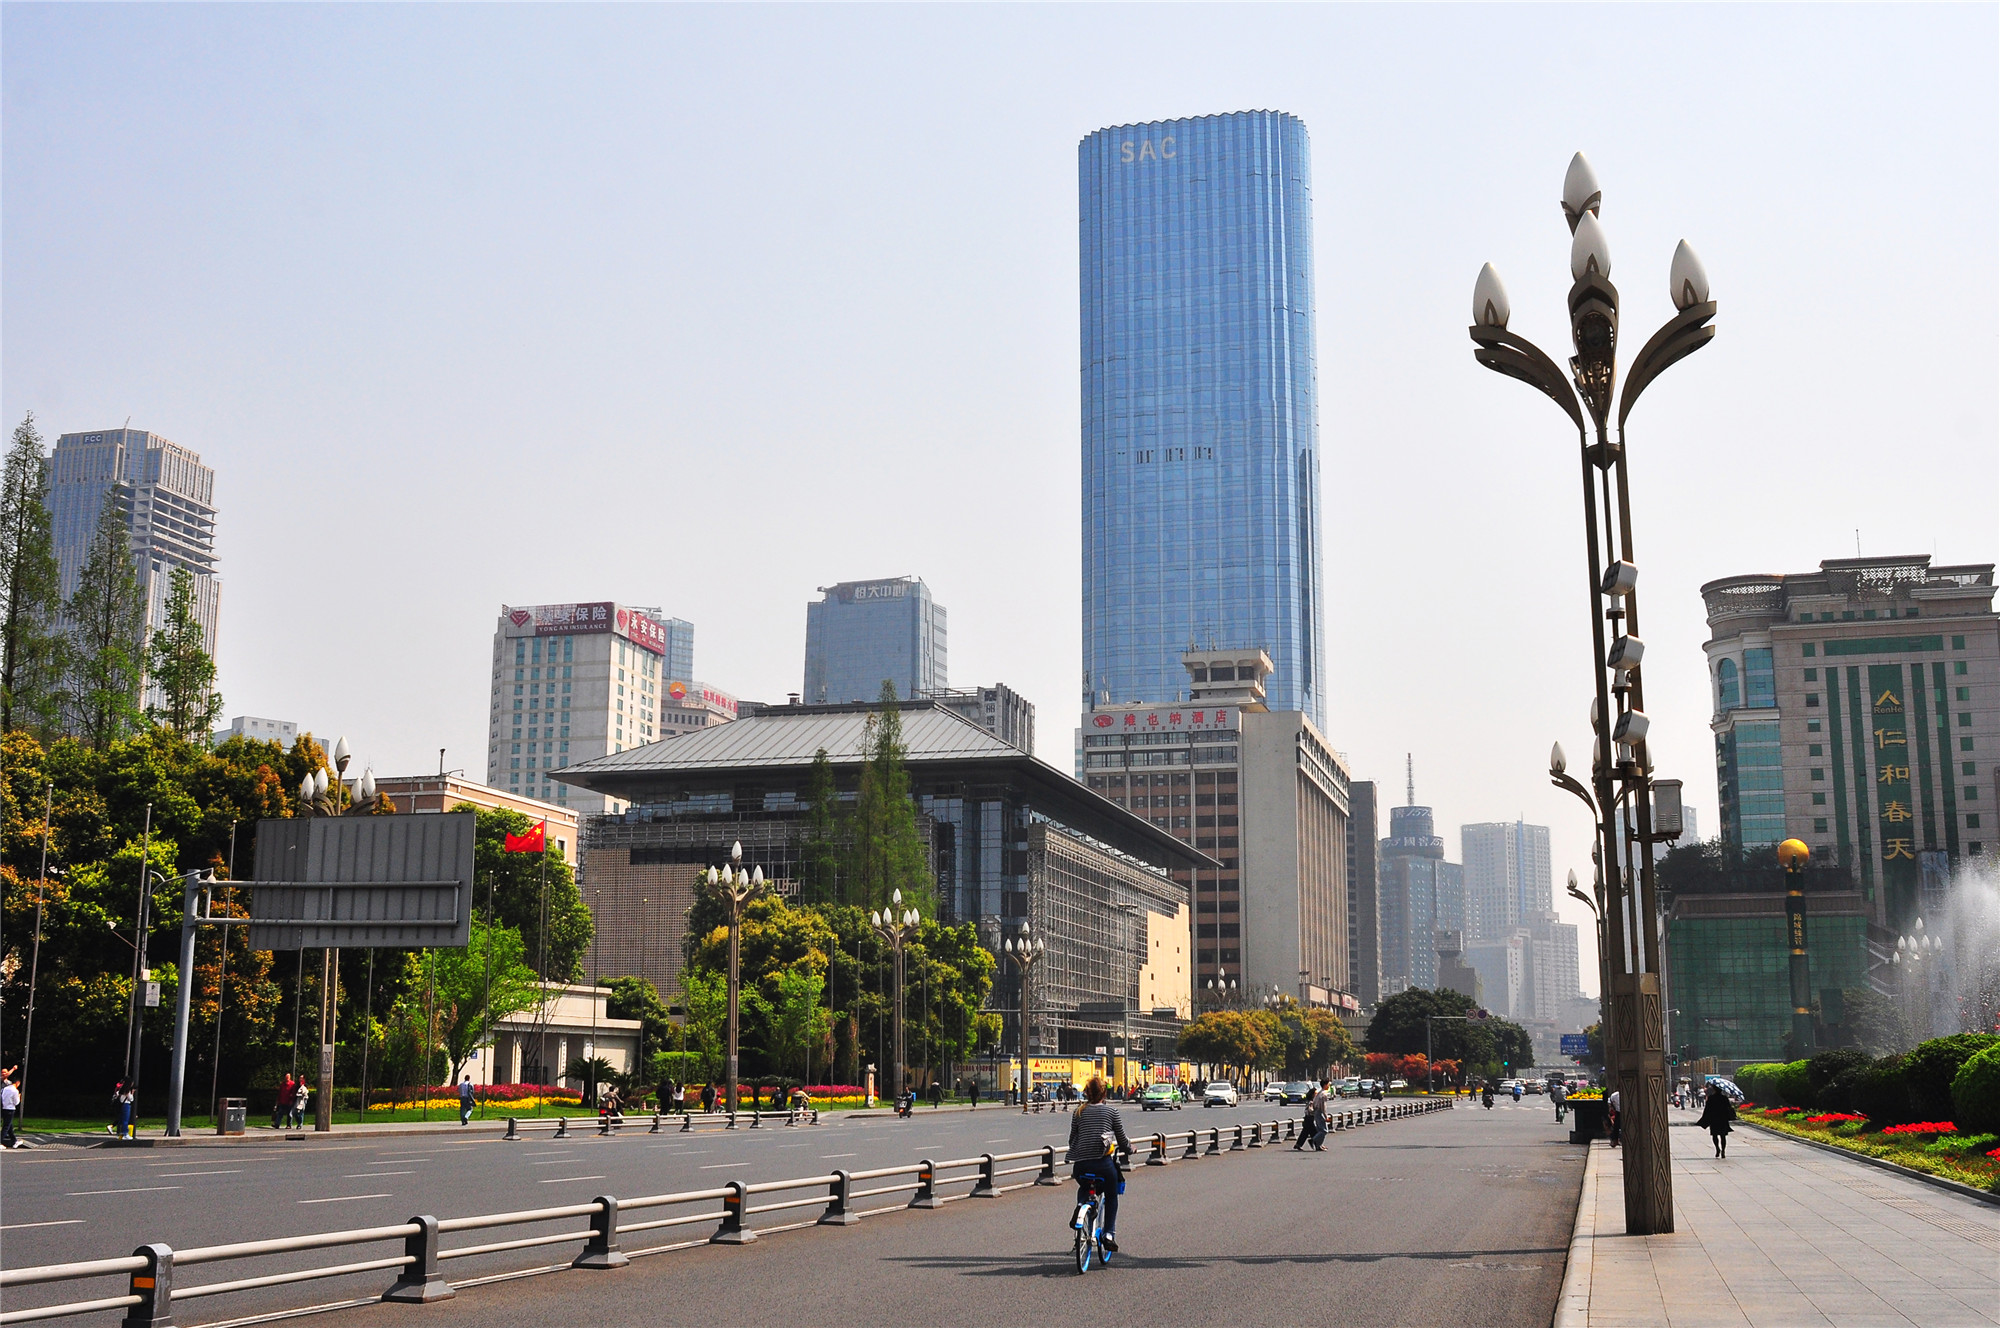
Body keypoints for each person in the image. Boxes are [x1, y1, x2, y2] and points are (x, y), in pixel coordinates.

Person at [1067, 1076, 1131, 1260]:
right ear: (1104, 1093)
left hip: (1081, 1165)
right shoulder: (1112, 1112)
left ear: (1086, 1092)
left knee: (1085, 1186)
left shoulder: (1078, 1112)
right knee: (1111, 1195)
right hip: (1103, 1165)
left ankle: (1081, 1205)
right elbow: (1122, 1139)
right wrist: (1130, 1149)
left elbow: (1072, 1140)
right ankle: (1109, 1234)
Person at [1696, 1083, 1736, 1158]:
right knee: (1723, 1135)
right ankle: (1723, 1150)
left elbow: (1707, 1109)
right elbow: (1729, 1108)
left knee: (1714, 1135)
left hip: (1714, 1118)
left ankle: (1717, 1148)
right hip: (1723, 1118)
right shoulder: (1724, 1098)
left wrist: (1705, 1118)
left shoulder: (1711, 1098)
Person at [1, 1067, 20, 1148]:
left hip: (4, 1108)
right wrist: (19, 1097)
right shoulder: (15, 1091)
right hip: (10, 1109)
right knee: (6, 1126)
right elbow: (16, 1102)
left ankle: (14, 1141)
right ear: (17, 1083)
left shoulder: (5, 1089)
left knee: (9, 1125)